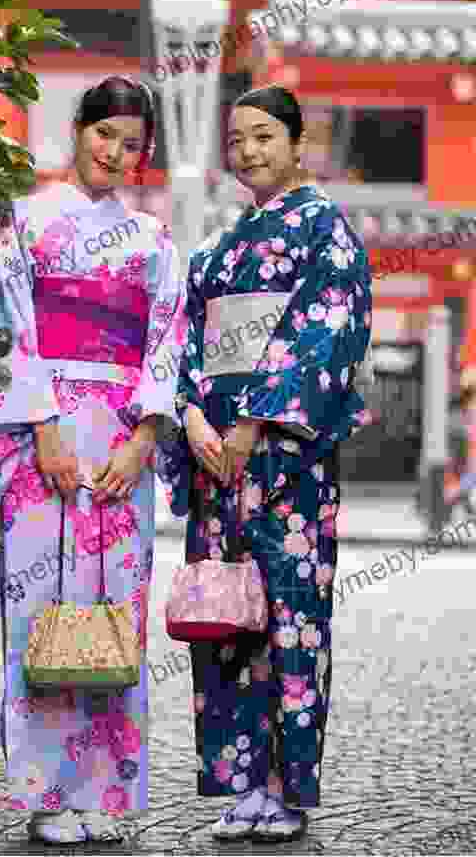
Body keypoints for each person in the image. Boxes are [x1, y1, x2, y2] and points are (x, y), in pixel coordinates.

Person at [0, 77, 186, 845]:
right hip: (42, 434)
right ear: (80, 130)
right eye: (105, 135)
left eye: (132, 146)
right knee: (38, 611)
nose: (115, 154)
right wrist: (44, 431)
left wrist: (144, 438)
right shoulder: (25, 221)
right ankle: (46, 792)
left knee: (113, 615)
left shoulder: (155, 242)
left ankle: (107, 792)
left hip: (122, 438)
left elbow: (169, 343)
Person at [165, 85, 373, 842]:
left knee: (289, 616)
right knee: (225, 617)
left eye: (263, 136)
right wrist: (189, 412)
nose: (248, 151)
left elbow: (327, 332)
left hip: (284, 458)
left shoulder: (324, 230)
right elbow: (185, 339)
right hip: (213, 455)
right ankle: (240, 782)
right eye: (237, 139)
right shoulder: (224, 242)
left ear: (295, 143)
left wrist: (254, 419)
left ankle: (285, 788)